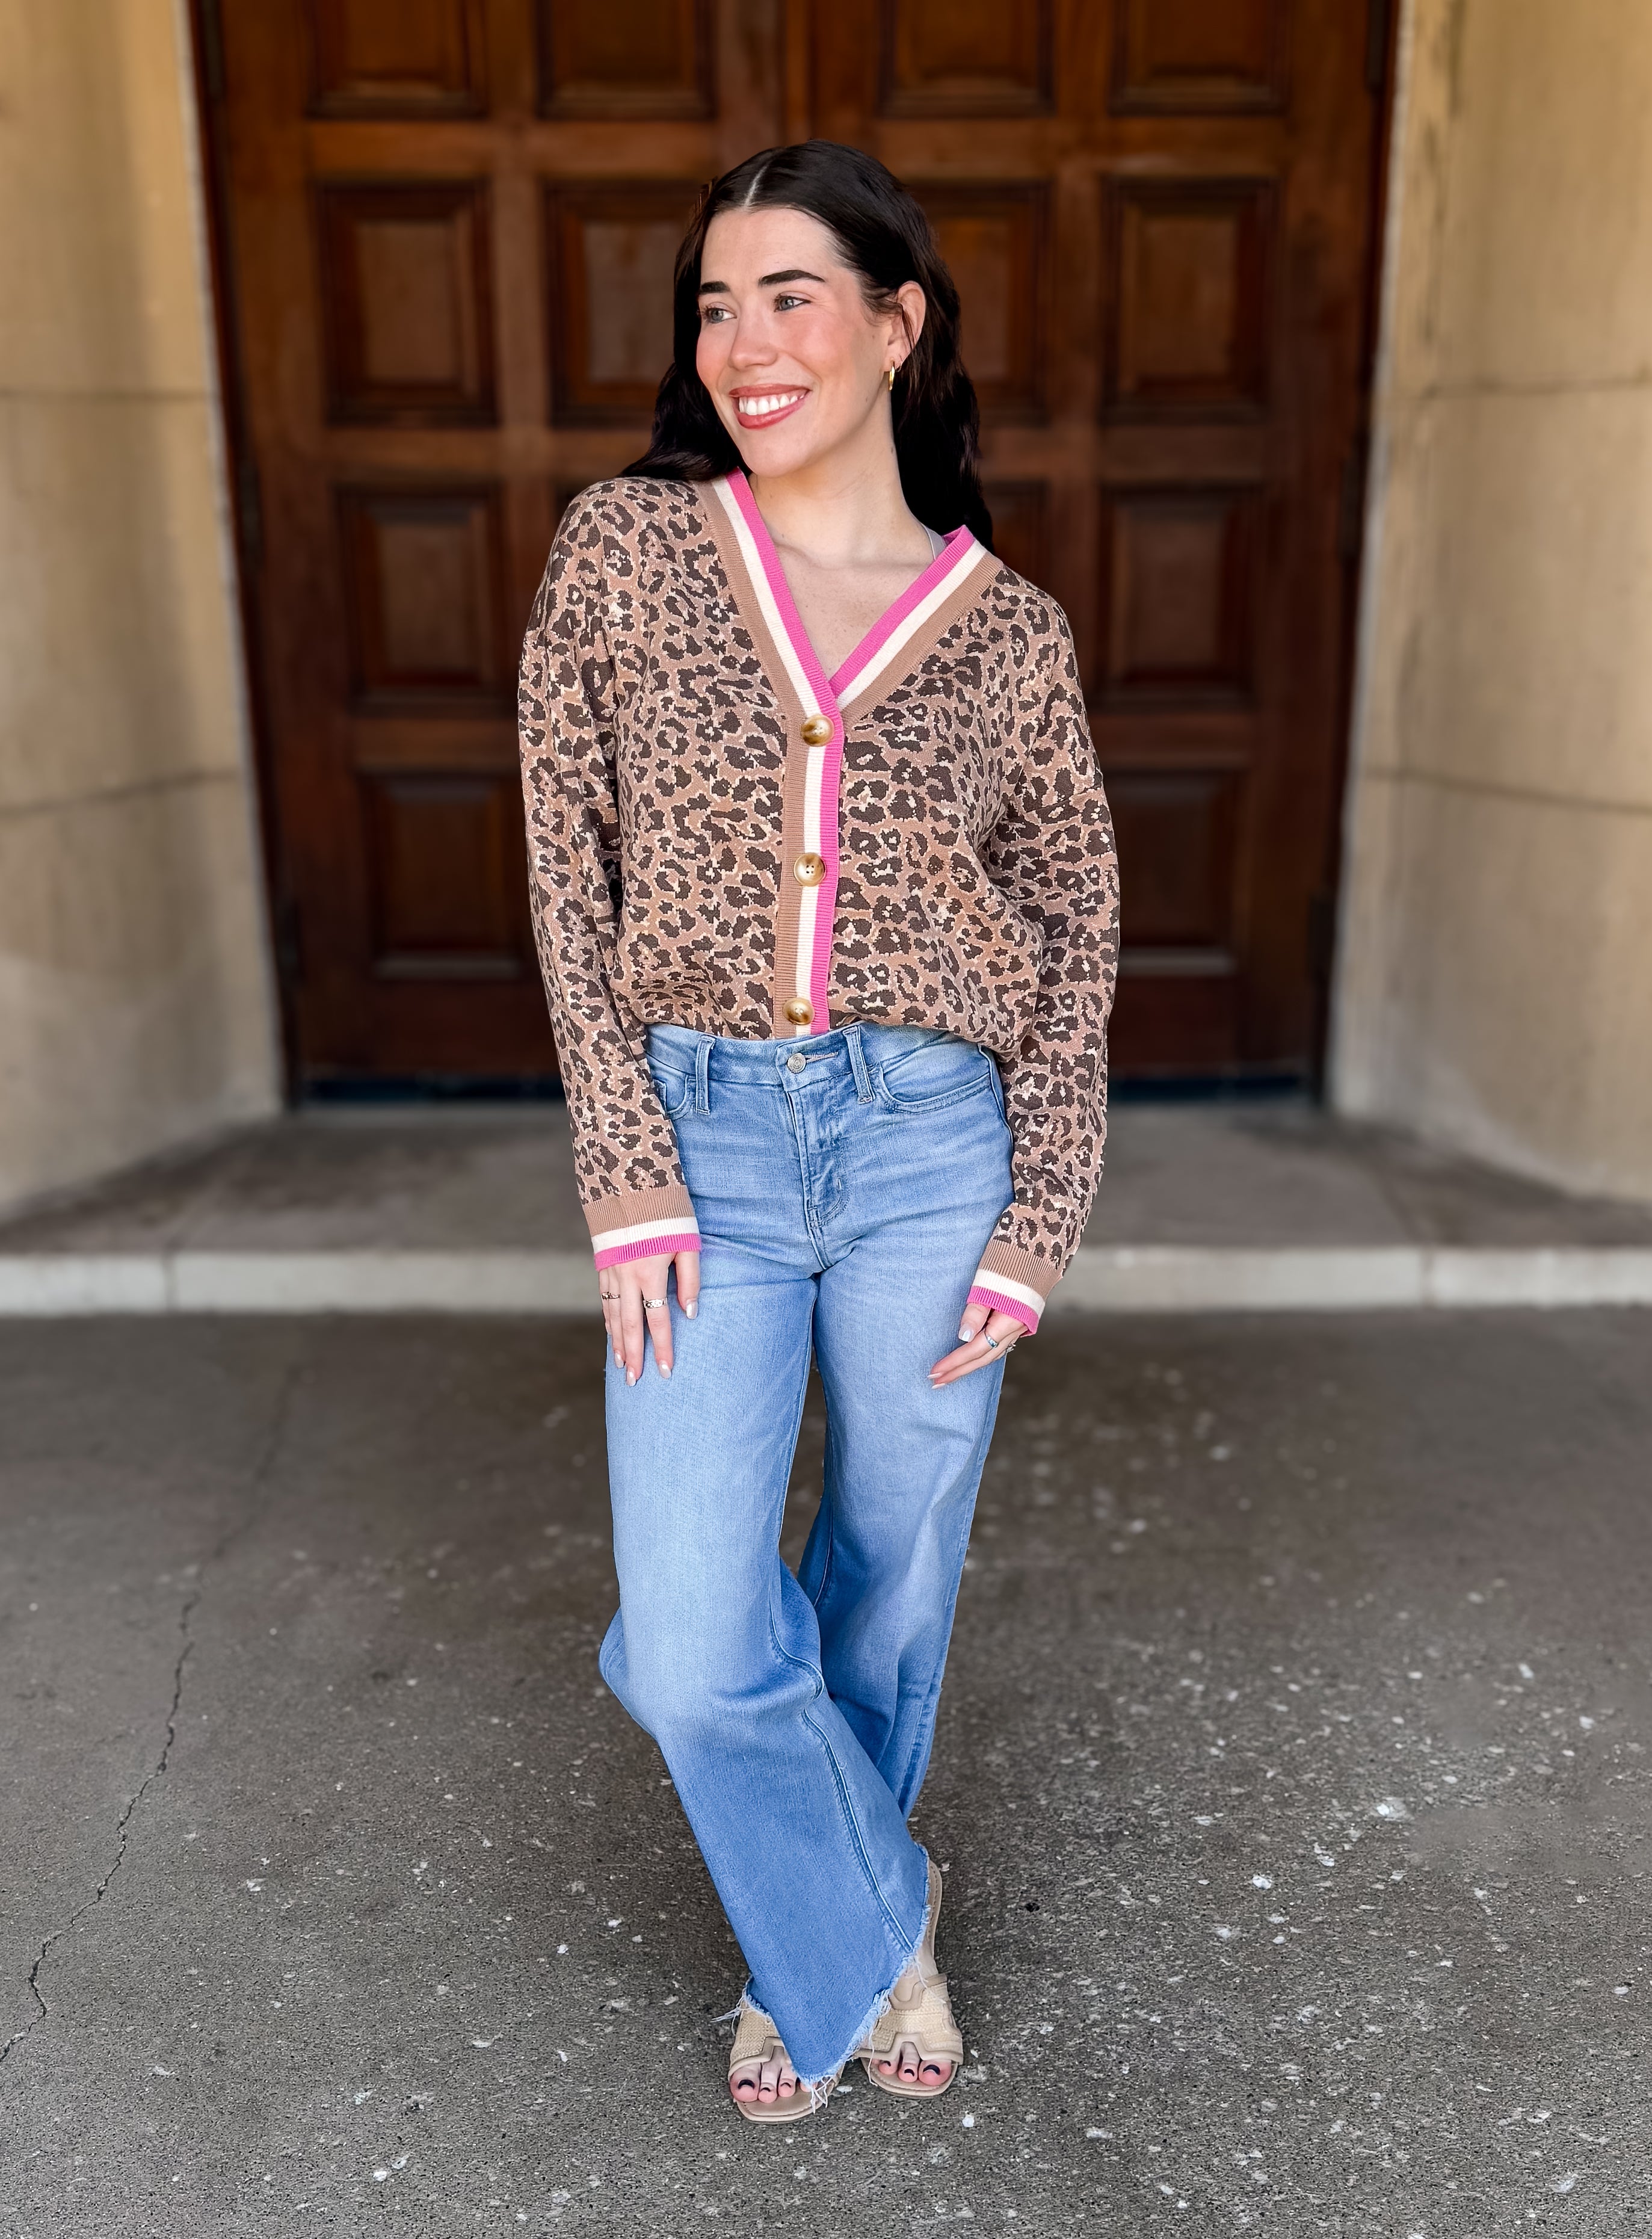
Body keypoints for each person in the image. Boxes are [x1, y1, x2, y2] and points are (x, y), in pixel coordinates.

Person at [519, 140, 1118, 2122]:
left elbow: (1076, 921)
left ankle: (812, 1955)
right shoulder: (624, 550)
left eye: (789, 294)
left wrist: (1039, 1205)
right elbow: (561, 855)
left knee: (888, 1564)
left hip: (935, 1137)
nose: (744, 342)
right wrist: (619, 1156)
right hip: (699, 1134)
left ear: (894, 320)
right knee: (692, 1637)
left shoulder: (1003, 628)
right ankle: (870, 1916)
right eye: (713, 302)